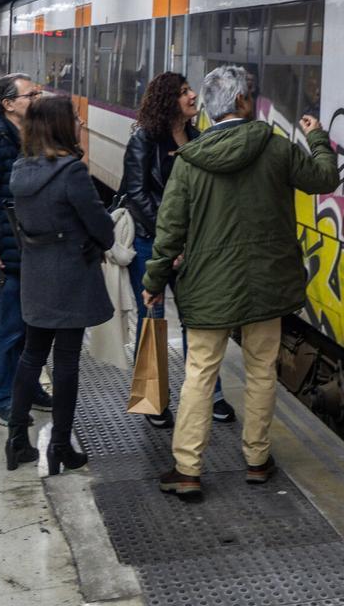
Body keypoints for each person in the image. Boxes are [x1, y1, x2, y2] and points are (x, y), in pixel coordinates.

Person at [145, 65, 339, 498]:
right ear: (245, 102)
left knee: (199, 373)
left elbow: (169, 231)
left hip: (209, 287)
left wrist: (154, 279)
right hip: (267, 286)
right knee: (261, 372)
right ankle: (256, 460)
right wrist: (319, 139)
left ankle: (189, 469)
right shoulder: (278, 148)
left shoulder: (190, 162)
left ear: (212, 111)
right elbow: (325, 178)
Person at [5, 96, 114, 474]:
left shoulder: (21, 169)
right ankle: (61, 448)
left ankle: (17, 439)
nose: (80, 120)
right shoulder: (71, 172)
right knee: (66, 361)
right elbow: (103, 227)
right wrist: (96, 237)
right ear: (60, 125)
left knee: (32, 355)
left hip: (36, 272)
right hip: (70, 274)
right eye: (74, 117)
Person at [123, 72, 236, 428]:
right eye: (184, 91)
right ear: (167, 99)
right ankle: (152, 399)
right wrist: (169, 240)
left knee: (199, 320)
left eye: (190, 90)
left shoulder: (197, 138)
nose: (192, 96)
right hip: (150, 243)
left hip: (190, 247)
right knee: (152, 320)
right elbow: (137, 193)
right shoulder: (143, 138)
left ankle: (207, 392)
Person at [0, 74, 54, 426]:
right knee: (6, 329)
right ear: (9, 104)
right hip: (5, 255)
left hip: (26, 252)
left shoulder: (25, 135)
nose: (38, 98)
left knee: (29, 330)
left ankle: (26, 388)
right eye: (32, 94)